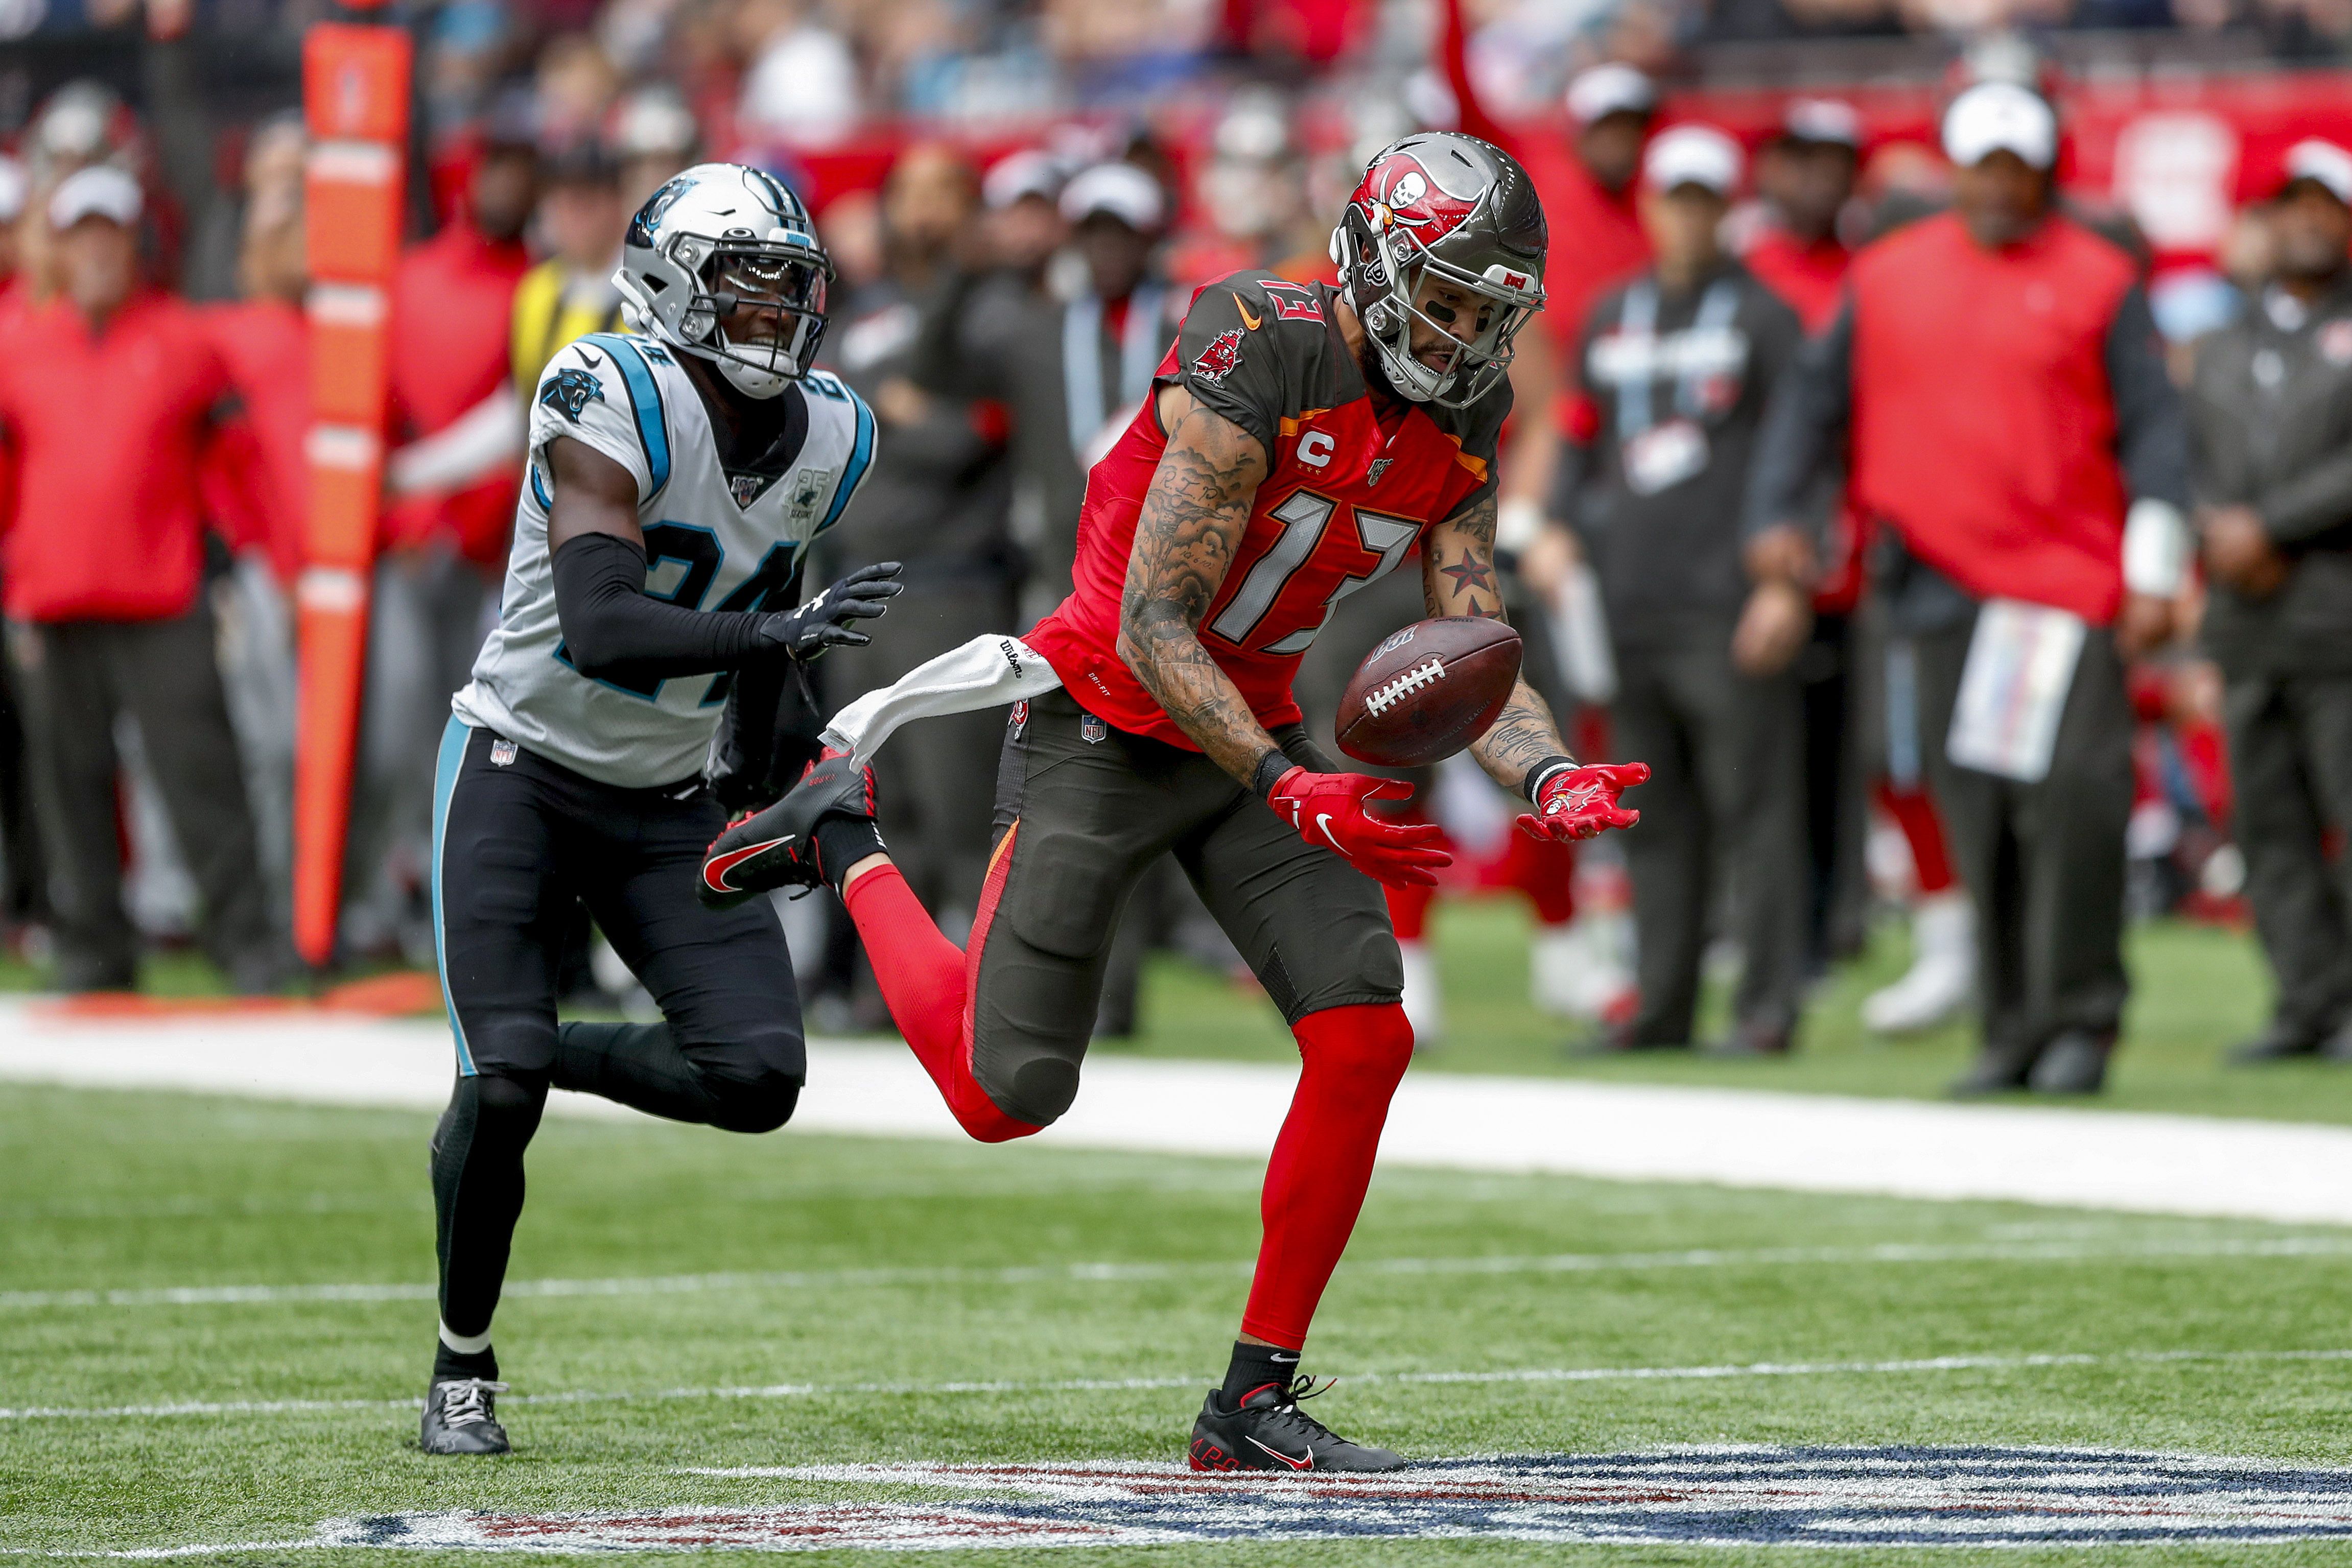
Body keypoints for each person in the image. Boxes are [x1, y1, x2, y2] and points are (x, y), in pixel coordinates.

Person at [702, 133, 1646, 1470]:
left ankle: (1249, 1398)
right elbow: (1151, 621)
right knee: (1001, 1093)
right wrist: (1288, 780)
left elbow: (1469, 640)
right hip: (1103, 716)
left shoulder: (1463, 418)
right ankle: (843, 828)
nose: (1465, 331)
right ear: (1373, 264)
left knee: (1364, 1034)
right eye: (1443, 297)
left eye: (1489, 309)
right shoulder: (1253, 340)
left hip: (1250, 733)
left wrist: (1547, 772)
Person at [418, 163, 899, 1456]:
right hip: (521, 761)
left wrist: (785, 766)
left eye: (790, 285)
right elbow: (604, 619)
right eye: (747, 283)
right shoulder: (602, 384)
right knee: (500, 1094)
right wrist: (774, 636)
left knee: (755, 1077)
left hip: (665, 792)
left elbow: (763, 601)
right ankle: (464, 1360)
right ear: (672, 280)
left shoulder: (833, 430)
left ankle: (525, 1045)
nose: (774, 310)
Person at [1746, 83, 2192, 1096]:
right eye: (1979, 164)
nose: (1997, 184)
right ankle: (2008, 1023)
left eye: (2015, 166)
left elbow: (2157, 428)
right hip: (1936, 580)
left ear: (2046, 172)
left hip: (2061, 586)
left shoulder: (2097, 278)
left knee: (2073, 802)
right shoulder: (1891, 273)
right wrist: (1778, 514)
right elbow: (1810, 408)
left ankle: (2080, 1015)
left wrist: (2157, 568)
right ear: (1953, 169)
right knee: (1976, 810)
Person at [0, 166, 283, 992]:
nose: (93, 250)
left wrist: (234, 560)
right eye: (79, 233)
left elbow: (234, 461)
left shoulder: (186, 342)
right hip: (54, 599)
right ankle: (92, 953)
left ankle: (247, 946)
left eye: (108, 233)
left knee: (204, 779)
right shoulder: (21, 345)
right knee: (69, 789)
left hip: (165, 595)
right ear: (57, 247)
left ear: (134, 244)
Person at [1557, 126, 1807, 1056]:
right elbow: (1577, 439)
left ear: (1727, 208)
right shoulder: (1610, 313)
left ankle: (1766, 1005)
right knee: (1651, 817)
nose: (1687, 217)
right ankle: (1659, 1003)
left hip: (1726, 601)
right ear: (1649, 207)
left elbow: (1803, 454)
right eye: (1673, 198)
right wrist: (1552, 530)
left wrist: (1785, 578)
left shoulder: (1764, 318)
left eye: (1704, 199)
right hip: (1628, 602)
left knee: (1754, 810)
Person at [355, 112, 538, 954]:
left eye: (519, 170)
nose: (504, 185)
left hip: (498, 552)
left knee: (480, 743)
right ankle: (392, 888)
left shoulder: (537, 288)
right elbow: (376, 408)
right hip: (407, 540)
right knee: (397, 731)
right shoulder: (409, 281)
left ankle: (455, 906)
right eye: (493, 167)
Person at [2188, 139, 2352, 1064]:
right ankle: (2304, 999)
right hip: (2245, 620)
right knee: (2266, 822)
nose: (2305, 220)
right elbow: (2189, 463)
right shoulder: (2220, 343)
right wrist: (2217, 535)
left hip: (2335, 611)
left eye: (2322, 203)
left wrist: (2271, 528)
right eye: (2287, 203)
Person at [821, 144, 1011, 940]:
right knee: (873, 801)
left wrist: (904, 414)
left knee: (957, 802)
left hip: (951, 586)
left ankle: (978, 995)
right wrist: (898, 409)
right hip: (857, 591)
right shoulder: (860, 306)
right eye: (911, 193)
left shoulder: (991, 313)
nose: (926, 212)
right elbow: (833, 423)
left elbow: (973, 438)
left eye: (945, 193)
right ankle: (879, 991)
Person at [509, 136, 628, 392]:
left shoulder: (646, 303)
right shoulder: (535, 290)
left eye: (584, 203)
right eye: (560, 203)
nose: (570, 217)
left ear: (618, 205)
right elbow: (522, 399)